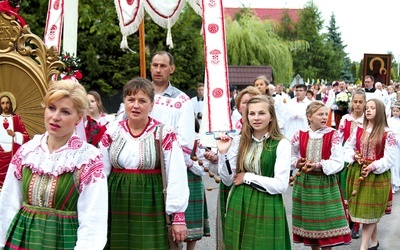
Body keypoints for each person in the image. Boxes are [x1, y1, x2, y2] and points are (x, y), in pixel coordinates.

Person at [0, 80, 108, 249]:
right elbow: (8, 203)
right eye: (51, 108)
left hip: (64, 241)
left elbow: (93, 219)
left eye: (65, 112)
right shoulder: (27, 152)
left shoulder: (88, 159)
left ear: (78, 118)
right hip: (22, 239)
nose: (55, 117)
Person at [100, 77, 189, 249]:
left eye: (142, 101)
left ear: (152, 105)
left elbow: (176, 175)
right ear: (124, 102)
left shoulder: (164, 133)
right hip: (115, 201)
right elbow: (101, 172)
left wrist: (178, 217)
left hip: (151, 202)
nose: (135, 105)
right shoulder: (112, 131)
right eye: (131, 99)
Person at [216, 95, 291, 249]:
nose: (256, 118)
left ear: (271, 116)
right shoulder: (239, 140)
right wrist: (223, 153)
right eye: (252, 113)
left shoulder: (281, 143)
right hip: (239, 202)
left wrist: (248, 177)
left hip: (267, 203)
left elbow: (281, 185)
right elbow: (228, 179)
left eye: (262, 113)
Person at [291, 101, 351, 249]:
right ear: (310, 117)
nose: (324, 117)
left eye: (326, 114)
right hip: (305, 184)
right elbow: (291, 155)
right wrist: (297, 163)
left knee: (326, 229)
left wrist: (318, 165)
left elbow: (338, 161)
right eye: (320, 114)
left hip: (325, 184)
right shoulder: (300, 134)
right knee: (311, 229)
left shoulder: (333, 134)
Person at [343, 98, 397, 250]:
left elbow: (389, 159)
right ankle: (374, 242)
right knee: (367, 212)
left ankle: (364, 247)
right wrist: (355, 156)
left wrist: (373, 165)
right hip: (358, 172)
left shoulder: (388, 134)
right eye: (367, 107)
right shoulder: (359, 129)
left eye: (372, 108)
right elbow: (348, 147)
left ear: (379, 111)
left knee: (369, 212)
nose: (367, 110)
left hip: (376, 176)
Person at [337, 89, 366, 239]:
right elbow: (339, 136)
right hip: (346, 157)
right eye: (355, 101)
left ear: (365, 103)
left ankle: (356, 224)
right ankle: (347, 220)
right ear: (351, 103)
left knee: (357, 191)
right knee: (345, 190)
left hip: (361, 157)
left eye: (361, 102)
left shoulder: (367, 120)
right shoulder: (346, 119)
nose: (358, 105)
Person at [0, 92, 30, 192]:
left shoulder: (16, 119)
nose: (5, 105)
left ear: (11, 104)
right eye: (3, 103)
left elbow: (26, 137)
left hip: (12, 155)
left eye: (7, 103)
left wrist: (15, 135)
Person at [388, 101, 400, 193]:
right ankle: (391, 183)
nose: (395, 112)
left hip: (398, 143)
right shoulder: (389, 120)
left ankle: (396, 183)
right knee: (392, 163)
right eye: (394, 111)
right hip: (391, 142)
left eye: (397, 111)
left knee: (397, 164)